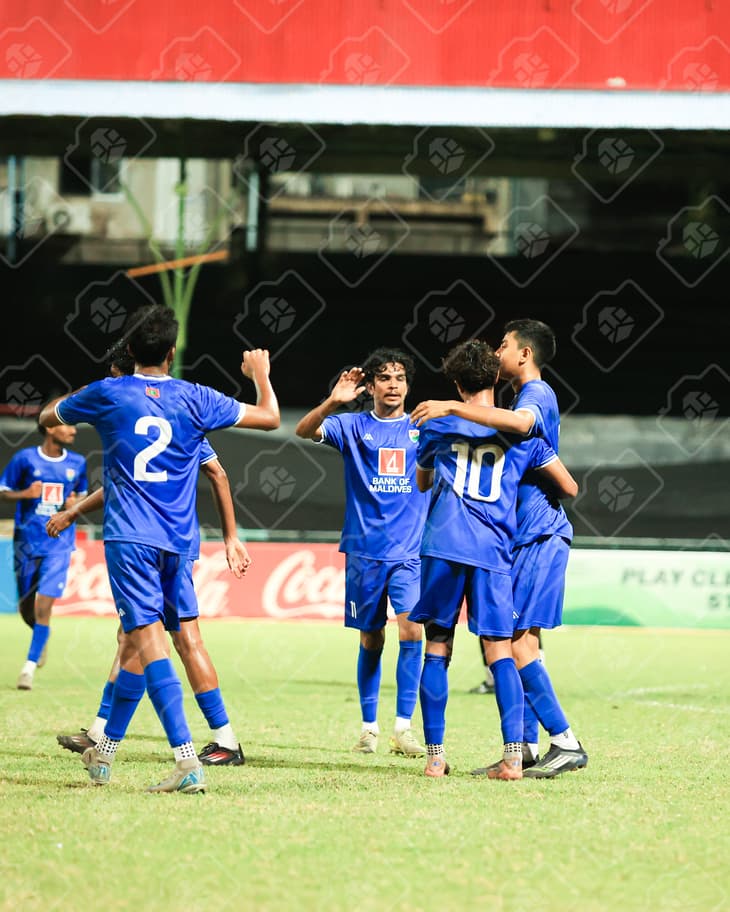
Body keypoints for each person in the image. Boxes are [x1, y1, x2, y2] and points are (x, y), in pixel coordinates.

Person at [40, 305, 279, 794]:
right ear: (173, 353)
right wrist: (260, 375)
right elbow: (271, 417)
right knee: (133, 643)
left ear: (128, 351)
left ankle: (187, 759)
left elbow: (49, 415)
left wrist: (93, 395)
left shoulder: (109, 393)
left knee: (147, 642)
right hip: (178, 543)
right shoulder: (196, 398)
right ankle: (103, 752)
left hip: (132, 540)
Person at [411, 319, 588, 779]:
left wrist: (448, 410)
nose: (502, 349)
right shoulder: (516, 432)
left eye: (507, 344)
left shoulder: (525, 404)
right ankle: (519, 751)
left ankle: (441, 755)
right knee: (503, 648)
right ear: (491, 377)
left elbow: (422, 480)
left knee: (445, 646)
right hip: (497, 546)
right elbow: (569, 484)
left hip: (488, 540)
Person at [295, 347, 428, 757]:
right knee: (372, 638)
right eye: (385, 378)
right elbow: (302, 431)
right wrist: (334, 400)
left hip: (410, 552)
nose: (393, 385)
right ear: (369, 386)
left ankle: (403, 728)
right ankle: (369, 728)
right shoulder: (352, 425)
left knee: (412, 630)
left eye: (400, 378)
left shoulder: (424, 428)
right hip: (364, 552)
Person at [0, 422, 87, 691]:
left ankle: (28, 668)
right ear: (50, 428)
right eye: (68, 426)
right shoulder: (24, 458)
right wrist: (25, 494)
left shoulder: (78, 462)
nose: (73, 431)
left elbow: (82, 496)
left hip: (58, 545)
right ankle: (42, 635)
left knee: (44, 606)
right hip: (26, 543)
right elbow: (2, 491)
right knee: (26, 608)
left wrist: (75, 506)